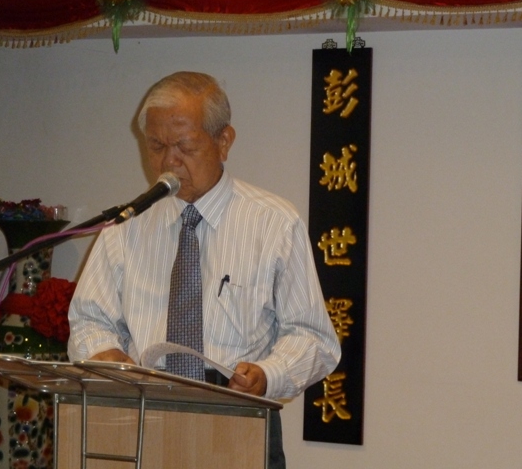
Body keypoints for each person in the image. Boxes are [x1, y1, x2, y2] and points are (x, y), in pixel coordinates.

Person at [68, 71, 341, 468]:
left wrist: (268, 374)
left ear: (224, 141)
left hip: (238, 421)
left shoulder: (274, 223)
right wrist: (104, 353)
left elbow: (313, 336)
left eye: (185, 146)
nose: (169, 161)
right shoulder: (127, 226)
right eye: (156, 146)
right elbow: (89, 320)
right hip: (142, 418)